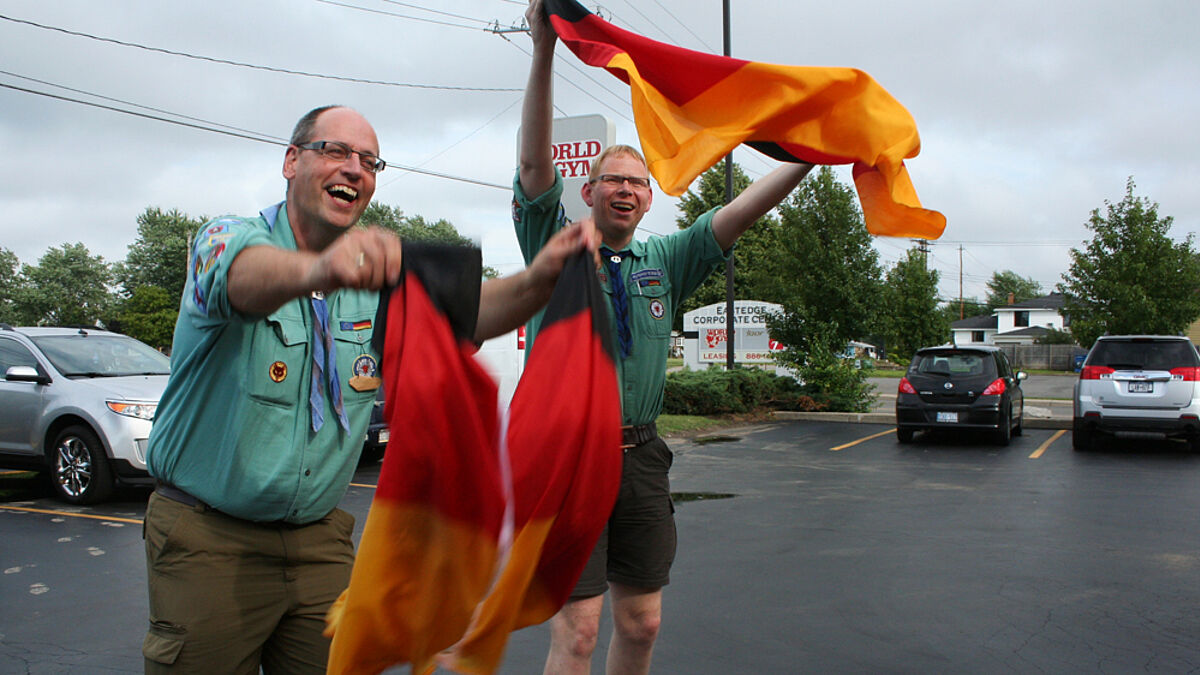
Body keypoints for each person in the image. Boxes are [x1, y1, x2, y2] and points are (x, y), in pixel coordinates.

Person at [142, 104, 595, 674]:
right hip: (208, 538)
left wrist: (539, 279)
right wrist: (319, 270)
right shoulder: (226, 239)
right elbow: (243, 278)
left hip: (319, 541)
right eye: (335, 151)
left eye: (369, 161)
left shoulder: (380, 271)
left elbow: (472, 314)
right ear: (291, 160)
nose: (354, 169)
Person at [516, 2, 815, 673]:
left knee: (642, 621)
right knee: (581, 629)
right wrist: (543, 51)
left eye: (637, 183)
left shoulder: (667, 260)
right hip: (570, 459)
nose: (624, 189)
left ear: (649, 199)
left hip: (642, 457)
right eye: (612, 180)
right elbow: (535, 165)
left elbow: (739, 211)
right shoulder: (553, 245)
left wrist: (812, 154)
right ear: (586, 190)